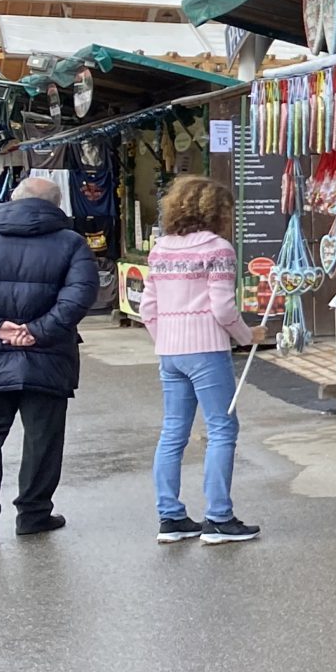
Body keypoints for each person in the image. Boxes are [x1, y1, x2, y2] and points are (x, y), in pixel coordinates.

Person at [0, 176, 96, 543]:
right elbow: (80, 294)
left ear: (13, 199)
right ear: (58, 205)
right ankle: (33, 513)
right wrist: (38, 330)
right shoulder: (72, 243)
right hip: (48, 355)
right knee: (43, 436)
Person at [140, 174, 258, 543]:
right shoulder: (217, 248)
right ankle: (219, 517)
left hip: (170, 351)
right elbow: (223, 307)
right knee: (222, 429)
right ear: (216, 211)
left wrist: (167, 339)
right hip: (206, 347)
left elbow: (147, 307)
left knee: (173, 431)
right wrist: (246, 336)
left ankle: (170, 517)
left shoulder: (160, 249)